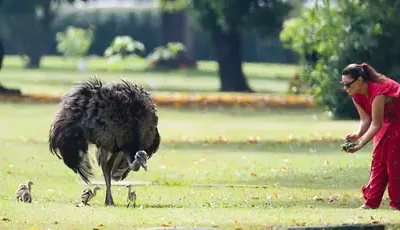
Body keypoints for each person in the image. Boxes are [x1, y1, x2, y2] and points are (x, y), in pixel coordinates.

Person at [341, 63, 400, 210]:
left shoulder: (378, 91)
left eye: (348, 84)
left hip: (397, 120)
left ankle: (397, 204)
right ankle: (370, 203)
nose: (345, 88)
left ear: (359, 80)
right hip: (387, 121)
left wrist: (361, 144)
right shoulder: (356, 94)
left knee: (393, 161)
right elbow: (366, 119)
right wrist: (357, 134)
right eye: (343, 84)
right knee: (378, 160)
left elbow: (376, 124)